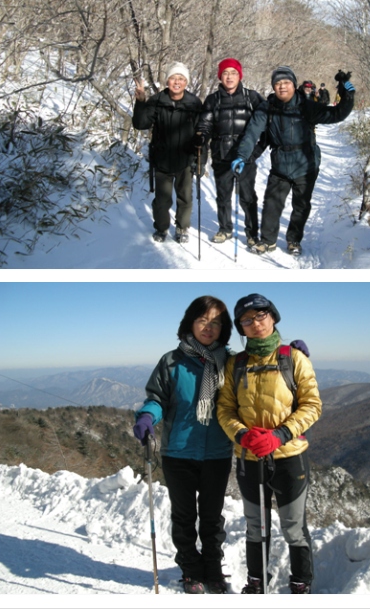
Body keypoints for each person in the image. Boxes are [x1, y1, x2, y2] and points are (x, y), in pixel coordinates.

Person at [217, 293, 322, 594]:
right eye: (246, 320)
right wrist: (242, 435)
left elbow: (312, 405)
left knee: (293, 527)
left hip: (289, 456)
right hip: (249, 457)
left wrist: (280, 435)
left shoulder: (293, 358)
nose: (255, 323)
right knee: (255, 526)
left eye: (261, 315)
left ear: (273, 317)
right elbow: (224, 408)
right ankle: (257, 582)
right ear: (241, 328)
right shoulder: (235, 364)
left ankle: (301, 584)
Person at [133, 296, 234, 593]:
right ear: (190, 322)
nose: (209, 327)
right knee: (185, 516)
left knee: (213, 519)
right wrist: (148, 418)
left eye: (216, 322)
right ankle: (191, 570)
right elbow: (156, 398)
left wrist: (290, 354)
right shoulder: (171, 361)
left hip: (217, 451)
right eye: (203, 320)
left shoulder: (231, 362)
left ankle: (213, 569)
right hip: (178, 453)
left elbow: (261, 373)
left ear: (223, 328)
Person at [232, 67, 355, 255]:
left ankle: (294, 240)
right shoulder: (267, 108)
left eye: (286, 83)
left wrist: (347, 94)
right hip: (280, 164)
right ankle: (267, 240)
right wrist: (242, 156)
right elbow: (252, 133)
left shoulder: (306, 106)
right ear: (273, 87)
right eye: (278, 83)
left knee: (301, 205)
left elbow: (336, 114)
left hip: (306, 164)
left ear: (293, 84)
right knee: (272, 203)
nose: (282, 87)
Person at [196, 58, 267, 246]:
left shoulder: (252, 98)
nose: (229, 77)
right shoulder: (213, 99)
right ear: (220, 76)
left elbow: (266, 128)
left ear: (240, 75)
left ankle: (252, 234)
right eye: (225, 73)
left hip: (246, 157)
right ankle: (225, 228)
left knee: (247, 197)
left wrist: (255, 152)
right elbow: (205, 124)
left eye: (233, 73)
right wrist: (201, 137)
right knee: (223, 195)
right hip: (222, 155)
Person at [132, 63, 203, 244]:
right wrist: (140, 102)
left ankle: (182, 227)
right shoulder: (157, 100)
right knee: (162, 200)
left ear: (186, 82)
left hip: (185, 159)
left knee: (185, 198)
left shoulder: (194, 103)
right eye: (173, 78)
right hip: (162, 159)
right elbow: (141, 124)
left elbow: (201, 133)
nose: (177, 82)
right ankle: (162, 228)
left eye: (181, 78)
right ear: (167, 81)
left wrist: (201, 159)